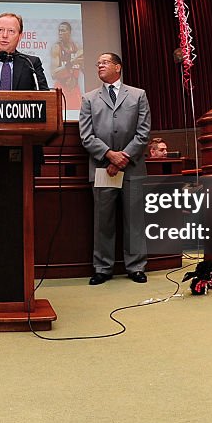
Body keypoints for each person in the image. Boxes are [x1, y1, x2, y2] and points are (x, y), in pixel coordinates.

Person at [79, 52, 152, 285]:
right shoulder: (89, 98)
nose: (99, 65)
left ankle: (136, 266)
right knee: (103, 221)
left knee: (135, 221)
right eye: (97, 63)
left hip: (133, 168)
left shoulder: (138, 95)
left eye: (104, 62)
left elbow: (143, 133)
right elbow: (86, 135)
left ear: (118, 67)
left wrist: (124, 157)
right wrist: (110, 156)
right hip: (102, 168)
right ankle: (102, 268)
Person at [50, 21, 84, 110]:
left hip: (75, 88)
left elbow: (85, 69)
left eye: (63, 31)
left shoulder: (77, 47)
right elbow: (53, 74)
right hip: (61, 88)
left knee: (79, 118)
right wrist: (71, 63)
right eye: (59, 31)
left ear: (69, 32)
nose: (60, 33)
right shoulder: (56, 48)